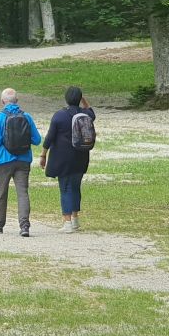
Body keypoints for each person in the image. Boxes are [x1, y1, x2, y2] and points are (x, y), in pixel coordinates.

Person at [40, 87, 96, 234]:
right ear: (80, 99)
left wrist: (43, 154)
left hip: (62, 158)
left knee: (65, 188)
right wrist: (82, 99)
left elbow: (49, 137)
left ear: (66, 99)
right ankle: (76, 219)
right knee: (76, 187)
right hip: (81, 156)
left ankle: (67, 222)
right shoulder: (87, 114)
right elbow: (89, 108)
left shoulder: (60, 116)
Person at [0, 88, 41, 237]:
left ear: (2, 102)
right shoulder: (27, 117)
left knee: (1, 193)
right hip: (23, 160)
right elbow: (37, 140)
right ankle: (24, 226)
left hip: (3, 160)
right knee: (22, 193)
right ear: (17, 101)